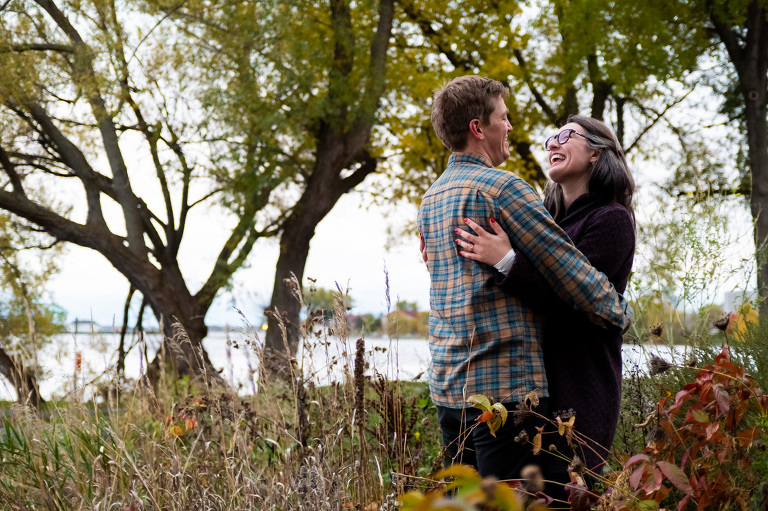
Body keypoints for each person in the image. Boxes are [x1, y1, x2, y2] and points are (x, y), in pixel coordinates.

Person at [416, 75, 633, 485]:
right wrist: (620, 311)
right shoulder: (504, 188)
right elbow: (574, 276)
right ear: (478, 129)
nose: (511, 127)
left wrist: (506, 261)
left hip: (450, 387)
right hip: (504, 388)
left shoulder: (430, 200)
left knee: (465, 500)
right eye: (503, 117)